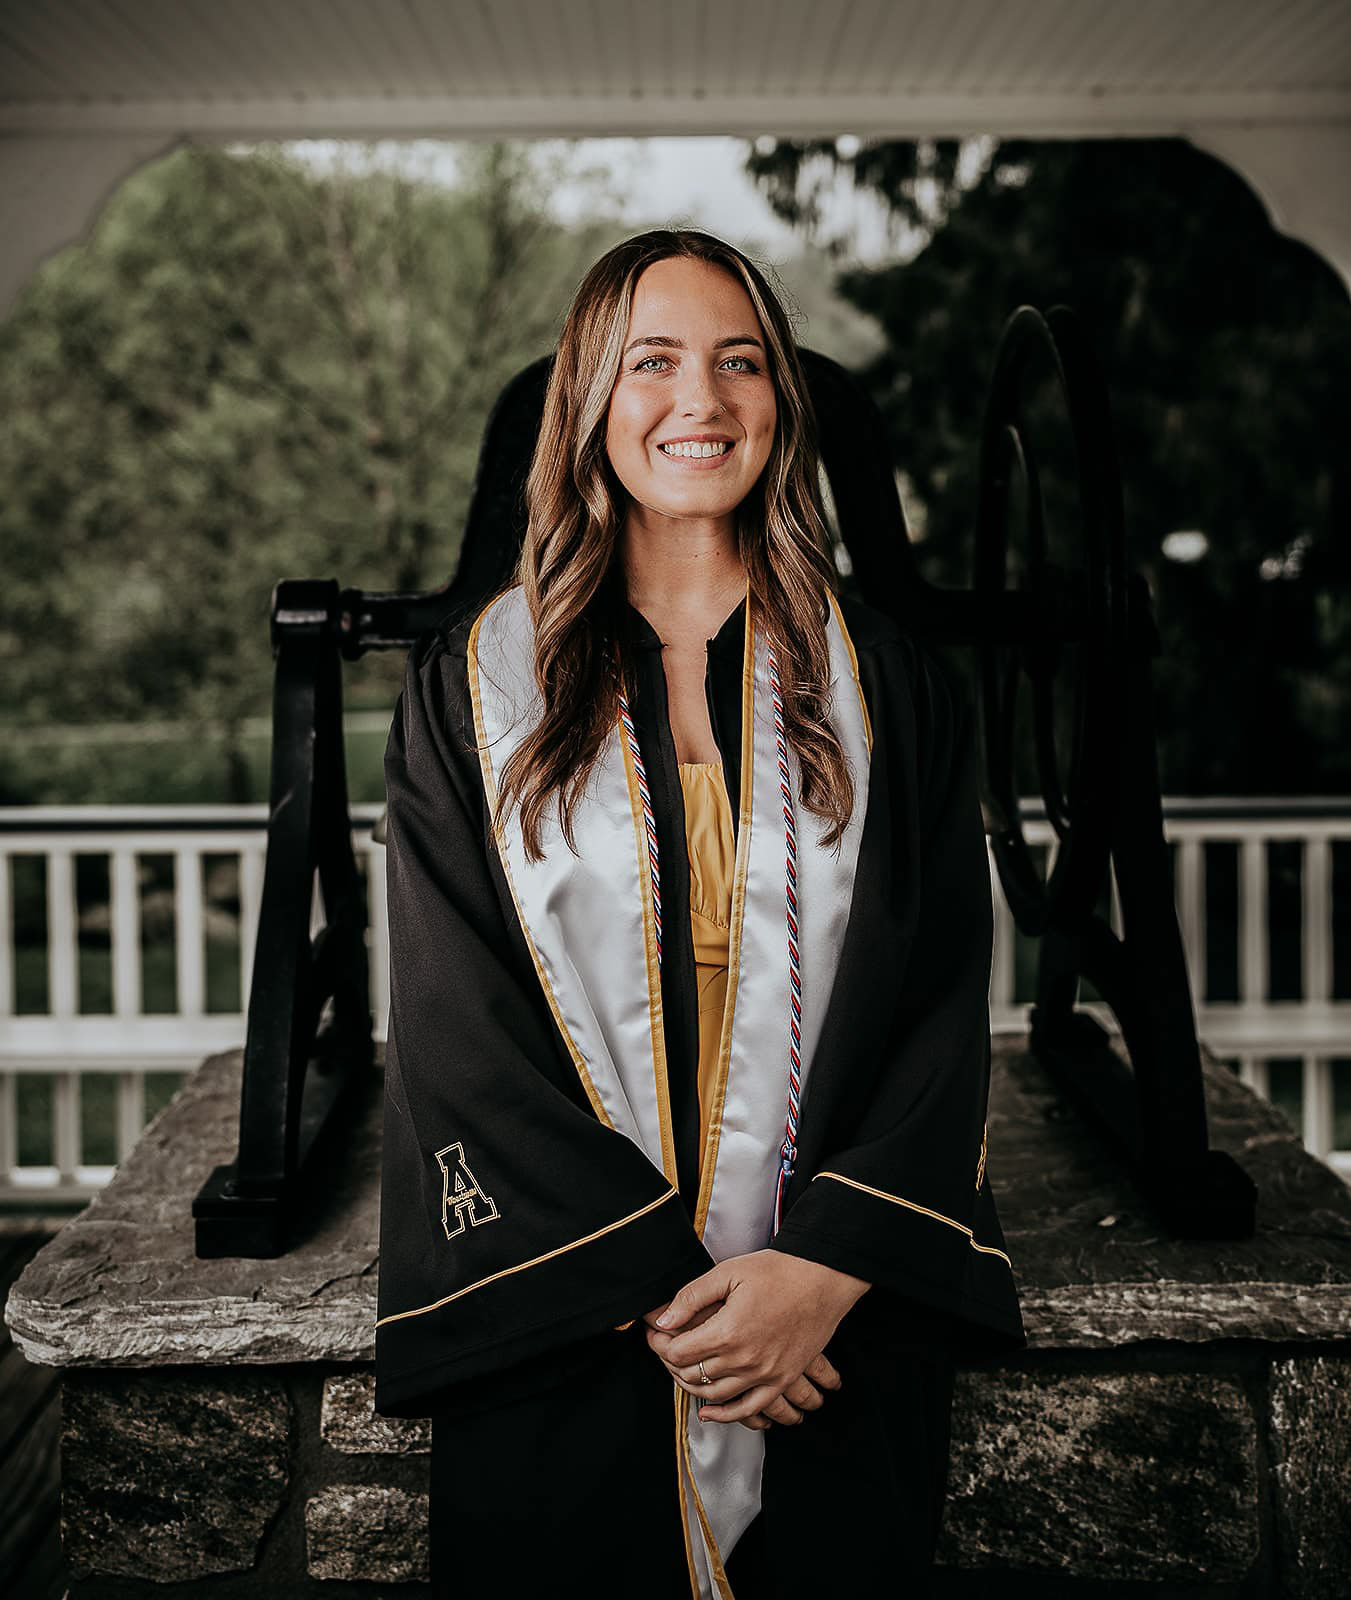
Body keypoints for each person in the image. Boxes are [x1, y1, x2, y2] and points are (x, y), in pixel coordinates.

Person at [374, 228, 1026, 1599]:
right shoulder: (473, 691)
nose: (702, 401)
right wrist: (656, 1291)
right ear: (590, 401)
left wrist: (827, 1268)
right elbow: (455, 1018)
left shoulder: (893, 688)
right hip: (580, 1328)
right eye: (652, 362)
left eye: (743, 363)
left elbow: (941, 992)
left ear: (781, 405)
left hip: (825, 1336)